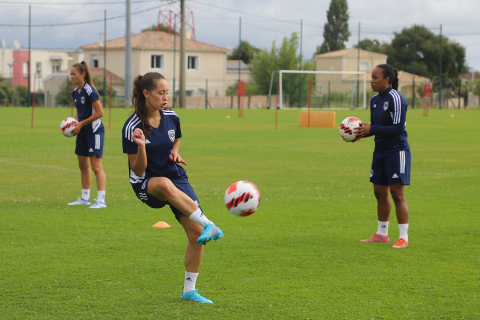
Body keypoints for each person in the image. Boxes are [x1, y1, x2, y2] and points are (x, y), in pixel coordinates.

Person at [122, 72, 224, 304]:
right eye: (161, 93)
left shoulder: (171, 116)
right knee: (165, 185)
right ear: (146, 94)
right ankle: (210, 223)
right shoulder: (132, 126)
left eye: (167, 92)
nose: (166, 97)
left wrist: (175, 151)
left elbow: (175, 138)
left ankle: (189, 290)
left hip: (173, 174)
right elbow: (138, 171)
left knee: (197, 235)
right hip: (147, 182)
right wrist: (140, 147)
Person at [356, 64, 410, 248]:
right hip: (379, 151)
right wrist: (361, 132)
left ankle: (403, 237)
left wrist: (373, 129)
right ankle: (382, 234)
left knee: (397, 194)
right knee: (379, 193)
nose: (371, 80)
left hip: (396, 150)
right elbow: (377, 127)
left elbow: (397, 128)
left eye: (375, 77)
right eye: (371, 77)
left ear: (387, 79)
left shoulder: (396, 98)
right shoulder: (374, 100)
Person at [68, 61, 107, 209]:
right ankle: (85, 198)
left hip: (94, 132)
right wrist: (73, 126)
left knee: (96, 167)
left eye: (74, 74)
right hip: (82, 131)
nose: (71, 77)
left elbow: (100, 113)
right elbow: (80, 112)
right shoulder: (75, 92)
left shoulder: (90, 90)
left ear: (83, 75)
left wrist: (81, 123)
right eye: (70, 74)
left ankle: (101, 200)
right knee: (82, 165)